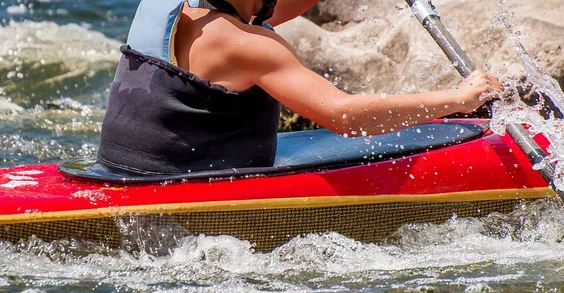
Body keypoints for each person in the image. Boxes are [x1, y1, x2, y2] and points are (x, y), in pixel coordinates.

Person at [97, 0, 503, 175]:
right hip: (184, 187)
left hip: (120, 173)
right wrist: (456, 99)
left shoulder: (169, 9)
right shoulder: (246, 46)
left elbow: (283, 5)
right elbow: (344, 116)